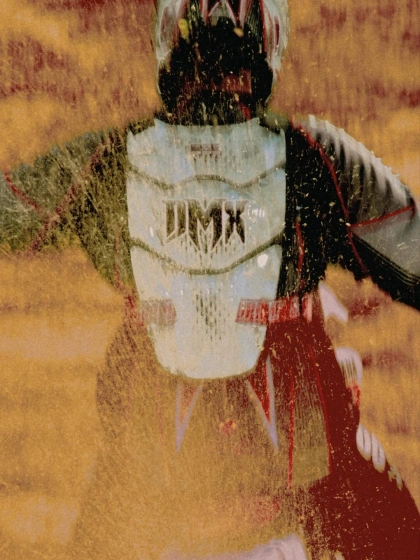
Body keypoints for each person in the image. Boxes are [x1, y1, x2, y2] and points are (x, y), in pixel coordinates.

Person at [1, 0, 419, 558]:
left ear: (170, 45)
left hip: (148, 492)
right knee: (400, 531)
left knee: (97, 534)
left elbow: (8, 214)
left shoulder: (106, 161)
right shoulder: (316, 157)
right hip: (303, 483)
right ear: (267, 42)